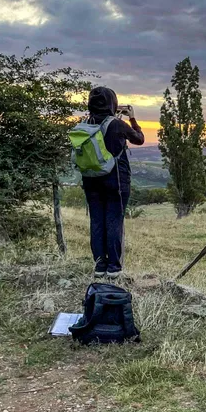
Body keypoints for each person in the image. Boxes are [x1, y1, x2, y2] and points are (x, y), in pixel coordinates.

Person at [82, 87, 145, 278]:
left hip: (91, 179)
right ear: (113, 103)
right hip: (115, 180)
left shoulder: (85, 123)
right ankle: (114, 268)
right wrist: (132, 118)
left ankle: (100, 266)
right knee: (114, 221)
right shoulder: (117, 124)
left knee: (97, 221)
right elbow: (139, 139)